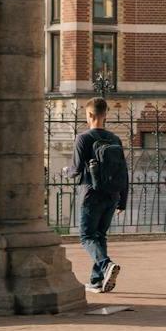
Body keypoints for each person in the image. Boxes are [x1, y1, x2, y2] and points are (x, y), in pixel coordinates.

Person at [67, 96, 127, 292]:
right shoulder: (115, 139)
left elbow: (75, 170)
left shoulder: (83, 138)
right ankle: (96, 280)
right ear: (105, 115)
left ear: (90, 115)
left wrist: (66, 171)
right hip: (112, 195)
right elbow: (123, 172)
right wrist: (122, 201)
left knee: (86, 236)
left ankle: (106, 265)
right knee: (100, 235)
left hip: (91, 194)